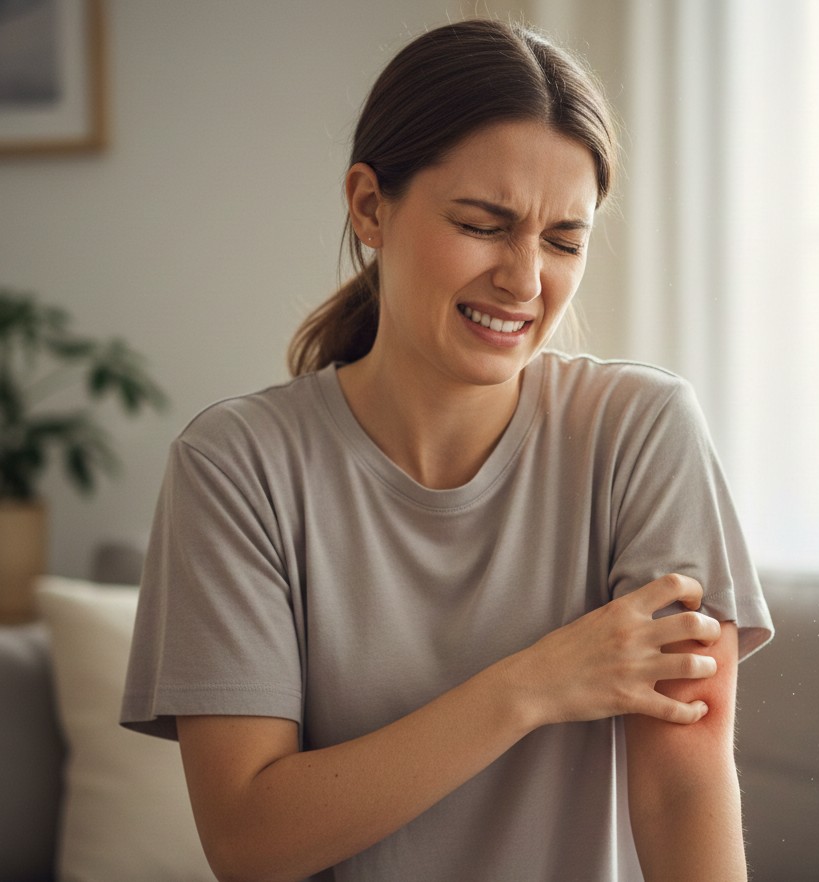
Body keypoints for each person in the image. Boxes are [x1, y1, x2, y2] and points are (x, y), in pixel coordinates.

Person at [121, 18, 773, 882]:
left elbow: (682, 790)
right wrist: (532, 685)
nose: (525, 279)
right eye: (483, 224)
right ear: (369, 206)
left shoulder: (642, 433)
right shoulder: (236, 467)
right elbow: (248, 840)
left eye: (564, 240)